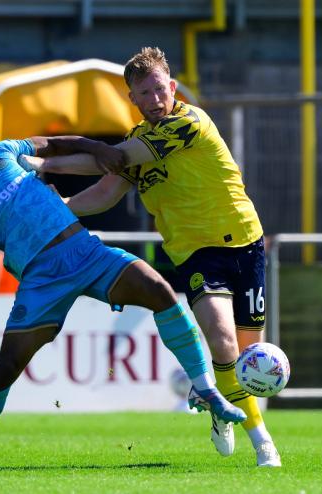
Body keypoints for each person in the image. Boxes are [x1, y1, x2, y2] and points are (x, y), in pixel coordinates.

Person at [0, 116, 245, 470]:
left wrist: (98, 147)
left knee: (159, 290)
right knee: (4, 370)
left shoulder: (5, 153)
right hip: (41, 280)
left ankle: (205, 388)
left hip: (85, 251)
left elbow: (54, 145)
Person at [30, 47, 282, 467]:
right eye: (143, 92)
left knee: (246, 359)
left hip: (245, 242)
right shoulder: (135, 141)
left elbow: (115, 160)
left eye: (158, 88)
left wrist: (38, 161)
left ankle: (214, 397)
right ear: (132, 99)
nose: (153, 98)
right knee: (222, 344)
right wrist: (62, 206)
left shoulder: (190, 122)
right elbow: (108, 189)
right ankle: (263, 443)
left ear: (173, 87)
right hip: (195, 253)